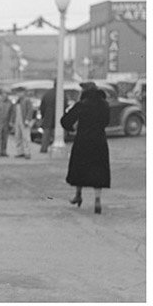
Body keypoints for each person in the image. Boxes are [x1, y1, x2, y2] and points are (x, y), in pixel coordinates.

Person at [60, 85, 111, 214]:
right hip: (99, 141)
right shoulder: (104, 105)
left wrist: (72, 128)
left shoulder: (81, 105)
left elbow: (65, 121)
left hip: (83, 140)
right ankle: (97, 199)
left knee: (80, 168)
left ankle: (78, 194)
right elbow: (107, 122)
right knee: (99, 169)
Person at [0, 87, 15, 158]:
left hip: (6, 122)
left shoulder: (10, 103)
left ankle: (3, 151)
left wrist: (11, 121)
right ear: (1, 94)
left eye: (7, 94)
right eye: (4, 93)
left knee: (5, 138)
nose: (5, 95)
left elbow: (12, 113)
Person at [13, 92, 33, 159]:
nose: (18, 94)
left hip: (24, 121)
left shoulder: (27, 100)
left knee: (26, 137)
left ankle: (27, 152)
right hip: (17, 121)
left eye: (20, 93)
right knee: (17, 136)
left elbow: (30, 110)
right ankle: (19, 152)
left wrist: (28, 119)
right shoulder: (17, 101)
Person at [38, 86, 56, 153]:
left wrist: (43, 115)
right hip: (56, 116)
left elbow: (42, 106)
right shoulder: (61, 93)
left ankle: (44, 148)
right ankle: (54, 148)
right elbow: (65, 104)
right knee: (56, 133)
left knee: (46, 133)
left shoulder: (47, 93)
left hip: (47, 115)